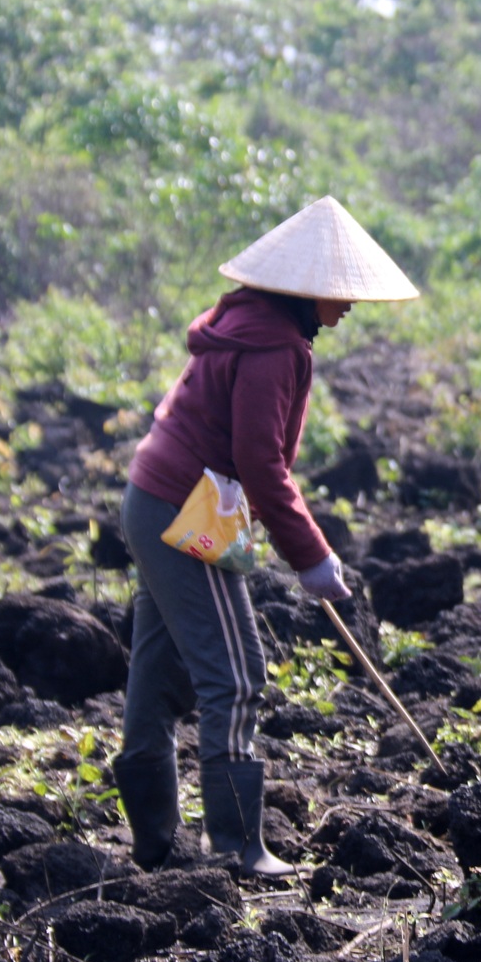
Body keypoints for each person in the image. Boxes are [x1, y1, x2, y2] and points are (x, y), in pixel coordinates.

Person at [113, 196, 419, 875]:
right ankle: (237, 847)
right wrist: (312, 559)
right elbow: (261, 462)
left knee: (158, 676)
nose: (349, 306)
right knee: (239, 675)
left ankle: (157, 847)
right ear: (305, 289)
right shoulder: (274, 346)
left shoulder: (242, 322)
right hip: (185, 511)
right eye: (339, 293)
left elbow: (250, 460)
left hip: (155, 500)